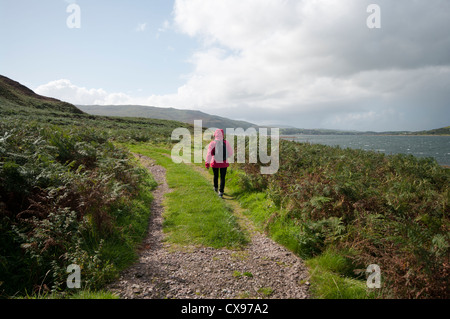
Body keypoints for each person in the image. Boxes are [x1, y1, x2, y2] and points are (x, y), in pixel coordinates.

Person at [205, 129, 234, 198]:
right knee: (222, 177)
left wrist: (207, 163)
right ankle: (221, 192)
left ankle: (215, 188)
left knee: (216, 175)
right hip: (224, 163)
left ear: (215, 134)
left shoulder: (212, 143)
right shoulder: (226, 142)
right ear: (223, 134)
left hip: (215, 162)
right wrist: (226, 156)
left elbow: (209, 154)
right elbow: (231, 153)